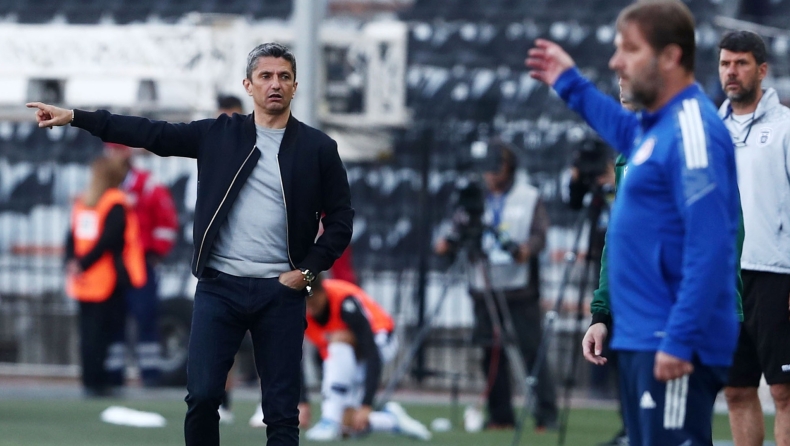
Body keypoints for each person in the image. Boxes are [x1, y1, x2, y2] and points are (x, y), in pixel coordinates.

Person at [29, 42, 354, 446]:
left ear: (295, 86)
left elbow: (341, 220)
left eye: (284, 77)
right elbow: (151, 132)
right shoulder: (219, 134)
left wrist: (306, 272)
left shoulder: (318, 148)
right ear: (248, 85)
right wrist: (78, 117)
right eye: (266, 76)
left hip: (280, 292)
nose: (275, 84)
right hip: (220, 288)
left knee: (282, 411)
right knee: (201, 397)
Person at [527, 1, 741, 445]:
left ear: (670, 56)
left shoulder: (693, 131)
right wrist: (569, 82)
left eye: (630, 49)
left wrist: (679, 339)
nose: (616, 62)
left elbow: (711, 249)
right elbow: (618, 125)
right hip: (644, 335)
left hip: (672, 340)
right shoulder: (655, 127)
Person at [435, 141, 558, 432]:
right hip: (484, 285)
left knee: (531, 350)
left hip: (520, 288)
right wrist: (448, 243)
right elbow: (456, 230)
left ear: (509, 166)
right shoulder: (473, 197)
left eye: (496, 166)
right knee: (490, 351)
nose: (490, 174)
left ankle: (546, 413)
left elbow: (540, 234)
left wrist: (526, 249)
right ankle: (500, 415)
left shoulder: (528, 196)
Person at [718, 30, 790, 446]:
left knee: (784, 391)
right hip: (726, 279)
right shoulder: (710, 130)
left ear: (761, 70)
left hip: (776, 275)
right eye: (725, 63)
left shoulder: (785, 128)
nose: (732, 71)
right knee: (736, 389)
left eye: (741, 63)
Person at [300, 276, 431, 441]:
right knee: (347, 425)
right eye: (307, 304)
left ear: (322, 292)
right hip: (350, 355)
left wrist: (366, 404)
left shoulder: (345, 302)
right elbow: (296, 358)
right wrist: (302, 401)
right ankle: (391, 420)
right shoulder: (300, 309)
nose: (310, 309)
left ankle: (329, 419)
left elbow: (372, 353)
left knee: (339, 341)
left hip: (380, 340)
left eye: (313, 302)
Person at [65, 156, 147, 397]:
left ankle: (89, 379)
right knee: (101, 332)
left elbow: (72, 236)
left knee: (87, 331)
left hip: (83, 278)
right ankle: (98, 381)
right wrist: (84, 263)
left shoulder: (84, 202)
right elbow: (109, 240)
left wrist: (74, 263)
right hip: (105, 277)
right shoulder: (115, 202)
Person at [103, 143, 179, 388]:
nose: (112, 156)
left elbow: (166, 222)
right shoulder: (104, 184)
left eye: (116, 151)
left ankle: (150, 373)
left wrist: (155, 252)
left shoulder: (147, 185)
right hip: (110, 263)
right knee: (113, 318)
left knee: (145, 316)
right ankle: (113, 375)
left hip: (141, 261)